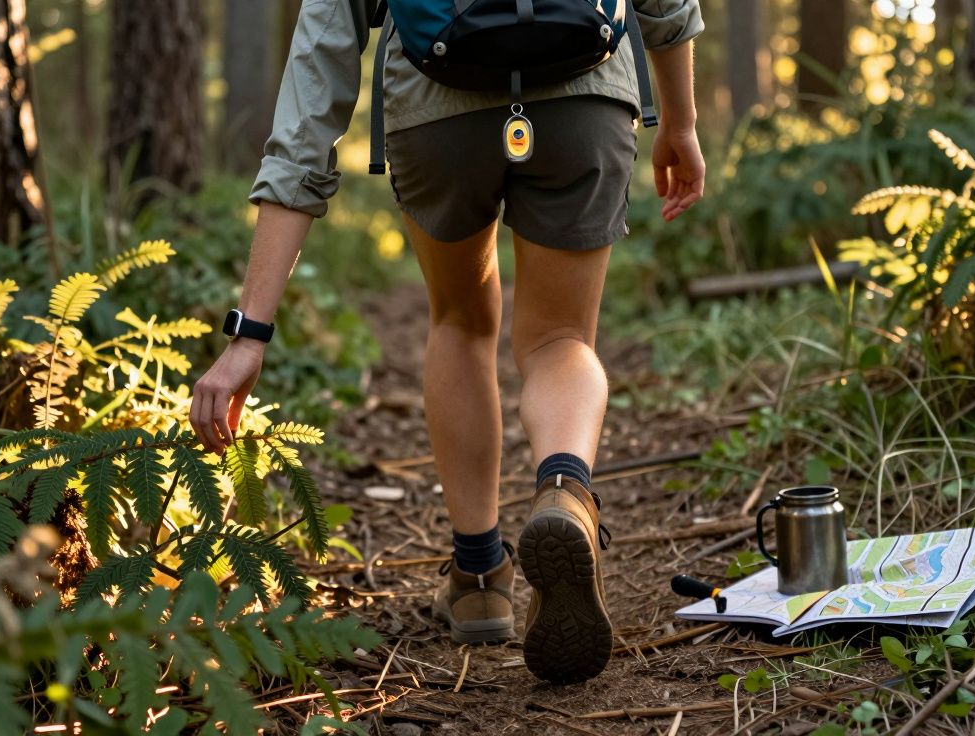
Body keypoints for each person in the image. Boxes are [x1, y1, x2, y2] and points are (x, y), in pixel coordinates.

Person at [191, 0, 705, 684]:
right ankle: (565, 491)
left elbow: (313, 84)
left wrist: (250, 333)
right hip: (583, 96)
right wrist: (681, 120)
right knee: (557, 338)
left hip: (437, 112)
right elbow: (666, 6)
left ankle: (481, 572)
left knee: (460, 321)